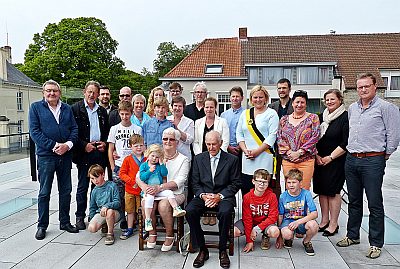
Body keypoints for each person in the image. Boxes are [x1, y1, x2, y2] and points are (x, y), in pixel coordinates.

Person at [336, 73, 400, 259]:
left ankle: (376, 243)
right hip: (352, 159)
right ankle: (353, 235)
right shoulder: (353, 108)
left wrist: (384, 155)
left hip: (373, 159)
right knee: (354, 201)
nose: (363, 90)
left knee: (374, 202)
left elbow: (394, 135)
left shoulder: (387, 108)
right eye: (360, 87)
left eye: (366, 86)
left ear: (374, 87)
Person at [29, 79, 79, 240]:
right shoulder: (35, 108)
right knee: (44, 192)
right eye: (48, 91)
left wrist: (68, 145)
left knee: (66, 191)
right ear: (44, 93)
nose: (52, 93)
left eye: (55, 91)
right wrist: (55, 145)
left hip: (65, 156)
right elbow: (34, 132)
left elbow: (74, 129)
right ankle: (42, 225)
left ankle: (64, 221)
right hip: (46, 157)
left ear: (59, 93)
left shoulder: (67, 108)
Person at [185, 130, 241, 269]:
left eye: (214, 144)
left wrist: (219, 196)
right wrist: (203, 196)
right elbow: (195, 183)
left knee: (225, 212)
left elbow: (236, 183)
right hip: (204, 195)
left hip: (223, 196)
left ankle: (223, 249)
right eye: (208, 144)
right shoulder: (198, 159)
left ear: (221, 143)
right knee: (190, 210)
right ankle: (203, 249)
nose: (211, 147)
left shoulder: (232, 159)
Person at [136, 128, 190, 251]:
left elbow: (180, 181)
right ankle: (152, 233)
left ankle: (170, 235)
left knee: (164, 205)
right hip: (153, 192)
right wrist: (145, 187)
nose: (168, 141)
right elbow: (139, 175)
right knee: (146, 203)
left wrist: (159, 187)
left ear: (177, 142)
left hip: (175, 193)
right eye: (165, 139)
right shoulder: (155, 154)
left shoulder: (183, 159)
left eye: (171, 139)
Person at [71, 80, 110, 230]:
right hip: (84, 152)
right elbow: (72, 132)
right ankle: (80, 216)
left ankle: (94, 215)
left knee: (98, 186)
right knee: (83, 186)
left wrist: (104, 143)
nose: (92, 95)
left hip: (98, 152)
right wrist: (83, 145)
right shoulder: (75, 109)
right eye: (90, 92)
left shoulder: (101, 111)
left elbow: (106, 131)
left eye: (95, 92)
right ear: (84, 92)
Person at [313, 89, 349, 236]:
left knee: (333, 192)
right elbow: (313, 138)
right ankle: (324, 221)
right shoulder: (321, 117)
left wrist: (330, 157)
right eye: (327, 100)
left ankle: (334, 224)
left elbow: (346, 142)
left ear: (340, 99)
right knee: (322, 190)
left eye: (332, 99)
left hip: (336, 161)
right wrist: (317, 156)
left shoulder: (345, 117)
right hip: (319, 160)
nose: (329, 102)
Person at [236, 85, 279, 196]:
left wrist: (257, 151)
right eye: (255, 97)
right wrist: (245, 150)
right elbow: (239, 133)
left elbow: (272, 135)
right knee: (247, 191)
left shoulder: (271, 114)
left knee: (263, 193)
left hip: (264, 158)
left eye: (261, 97)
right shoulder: (245, 114)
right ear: (251, 99)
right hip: (247, 159)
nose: (258, 100)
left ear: (266, 98)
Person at [107, 101, 142, 232]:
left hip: (133, 166)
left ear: (131, 113)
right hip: (119, 166)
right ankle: (123, 218)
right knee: (120, 194)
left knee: (135, 193)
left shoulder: (137, 129)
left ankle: (138, 219)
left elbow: (140, 148)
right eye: (122, 114)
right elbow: (110, 149)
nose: (124, 116)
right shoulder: (114, 129)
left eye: (127, 114)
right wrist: (112, 166)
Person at [277, 90, 320, 190]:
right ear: (292, 103)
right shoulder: (284, 119)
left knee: (304, 188)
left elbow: (315, 136)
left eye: (302, 102)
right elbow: (279, 137)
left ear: (306, 104)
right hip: (288, 160)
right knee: (290, 189)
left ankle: (304, 206)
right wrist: (289, 152)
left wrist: (300, 152)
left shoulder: (313, 118)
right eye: (297, 102)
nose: (299, 105)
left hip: (306, 160)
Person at [139, 144, 186, 232]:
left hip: (158, 190)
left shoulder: (159, 166)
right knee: (148, 200)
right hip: (149, 190)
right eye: (152, 156)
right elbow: (142, 177)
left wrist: (161, 164)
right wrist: (149, 171)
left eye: (157, 157)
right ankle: (148, 220)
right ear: (148, 155)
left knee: (169, 193)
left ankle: (176, 208)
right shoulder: (144, 166)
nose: (154, 159)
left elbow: (165, 173)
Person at [234, 169, 279, 253]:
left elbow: (273, 217)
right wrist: (249, 241)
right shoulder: (247, 197)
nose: (261, 184)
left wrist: (256, 229)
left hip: (265, 223)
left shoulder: (272, 196)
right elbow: (247, 219)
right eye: (259, 181)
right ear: (253, 181)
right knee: (233, 232)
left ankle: (266, 236)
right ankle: (249, 235)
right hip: (251, 221)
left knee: (275, 232)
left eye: (265, 182)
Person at [276, 169, 318, 256]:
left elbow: (314, 213)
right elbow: (280, 215)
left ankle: (306, 242)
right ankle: (289, 238)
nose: (291, 185)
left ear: (300, 183)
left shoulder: (306, 194)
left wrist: (298, 222)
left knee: (313, 225)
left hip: (301, 220)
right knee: (287, 234)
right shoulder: (283, 196)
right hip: (288, 221)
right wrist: (279, 237)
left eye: (294, 182)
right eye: (289, 182)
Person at [268, 78, 294, 197]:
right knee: (275, 178)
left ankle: (290, 202)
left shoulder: (296, 105)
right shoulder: (271, 107)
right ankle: (277, 204)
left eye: (284, 88)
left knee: (291, 178)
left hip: (291, 148)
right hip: (274, 148)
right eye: (279, 88)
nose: (281, 90)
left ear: (289, 89)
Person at [119, 134, 146, 239]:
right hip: (130, 190)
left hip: (142, 191)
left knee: (143, 210)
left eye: (141, 145)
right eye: (135, 145)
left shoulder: (147, 159)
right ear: (130, 146)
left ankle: (143, 228)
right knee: (130, 210)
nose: (139, 148)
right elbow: (122, 173)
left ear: (144, 146)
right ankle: (130, 228)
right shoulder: (128, 159)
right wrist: (131, 181)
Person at [87, 164, 122, 245]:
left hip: (114, 212)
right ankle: (105, 224)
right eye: (92, 178)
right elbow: (92, 206)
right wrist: (92, 218)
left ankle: (110, 233)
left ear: (103, 175)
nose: (95, 180)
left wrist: (107, 206)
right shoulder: (94, 190)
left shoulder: (112, 185)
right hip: (101, 212)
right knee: (92, 228)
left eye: (97, 177)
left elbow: (117, 202)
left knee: (109, 211)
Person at [167, 96, 195, 161]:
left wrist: (177, 130)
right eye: (175, 106)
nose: (177, 108)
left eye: (180, 106)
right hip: (169, 156)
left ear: (183, 108)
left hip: (184, 156)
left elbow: (190, 140)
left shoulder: (189, 122)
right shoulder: (167, 119)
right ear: (172, 106)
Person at [220, 86, 245, 157]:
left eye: (237, 96)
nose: (235, 98)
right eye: (233, 96)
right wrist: (228, 147)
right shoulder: (223, 115)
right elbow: (221, 133)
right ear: (230, 98)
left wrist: (240, 146)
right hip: (227, 149)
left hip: (243, 150)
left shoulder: (246, 114)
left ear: (242, 98)